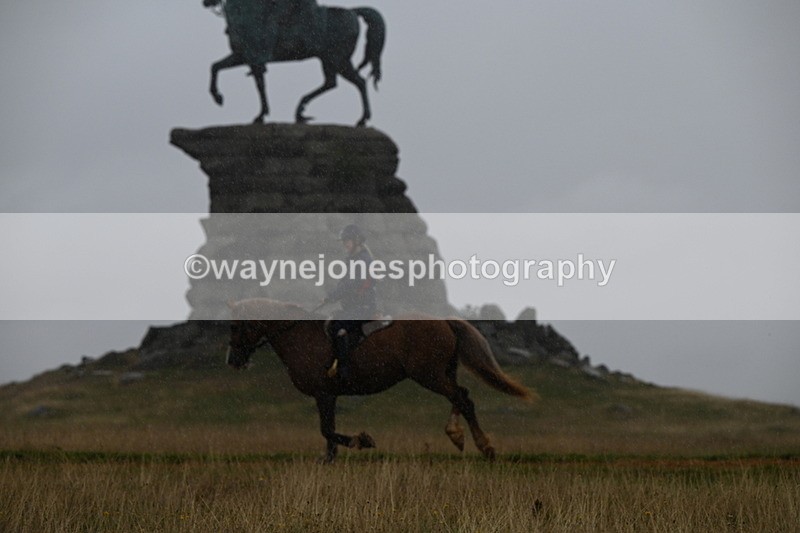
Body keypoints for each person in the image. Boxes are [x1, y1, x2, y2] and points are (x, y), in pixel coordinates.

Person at [323, 224, 378, 381]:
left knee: (338, 326)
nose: (344, 244)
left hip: (363, 308)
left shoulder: (362, 260)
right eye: (344, 241)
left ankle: (345, 372)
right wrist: (331, 296)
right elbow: (344, 283)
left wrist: (332, 296)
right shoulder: (353, 260)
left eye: (347, 240)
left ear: (357, 241)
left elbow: (351, 284)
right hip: (355, 306)